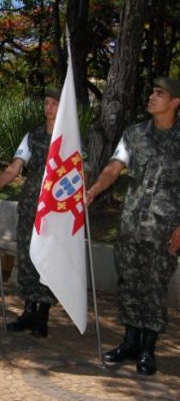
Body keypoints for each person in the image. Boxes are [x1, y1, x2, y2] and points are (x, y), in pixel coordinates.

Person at [86, 77, 179, 376]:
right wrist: (94, 190)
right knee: (128, 283)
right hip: (130, 225)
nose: (152, 96)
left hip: (164, 229)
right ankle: (129, 342)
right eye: (151, 91)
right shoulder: (134, 134)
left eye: (159, 93)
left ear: (175, 102)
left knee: (153, 287)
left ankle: (148, 350)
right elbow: (114, 167)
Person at [0, 87, 61, 338]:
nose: (49, 107)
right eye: (47, 102)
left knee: (48, 261)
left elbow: (80, 173)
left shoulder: (69, 140)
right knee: (27, 257)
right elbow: (15, 166)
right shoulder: (32, 136)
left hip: (54, 212)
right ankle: (28, 310)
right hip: (30, 205)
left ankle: (43, 314)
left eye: (54, 103)